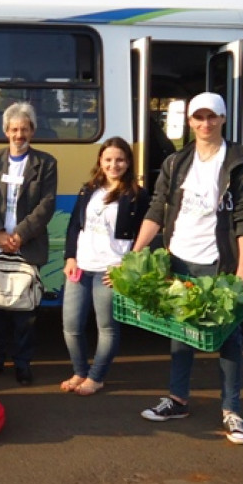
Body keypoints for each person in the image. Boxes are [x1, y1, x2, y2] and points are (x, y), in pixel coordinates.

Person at [133, 92, 243, 445]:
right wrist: (136, 252)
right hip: (178, 258)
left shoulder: (239, 162)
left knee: (229, 339)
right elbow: (158, 208)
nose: (205, 124)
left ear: (222, 119)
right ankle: (177, 400)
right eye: (198, 118)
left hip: (218, 263)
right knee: (180, 332)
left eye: (212, 117)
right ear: (189, 122)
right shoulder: (177, 162)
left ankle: (232, 410)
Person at [60, 137, 149, 396]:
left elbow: (146, 233)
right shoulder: (88, 189)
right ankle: (79, 372)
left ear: (128, 162)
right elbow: (74, 226)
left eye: (120, 159)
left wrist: (126, 267)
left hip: (110, 271)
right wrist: (70, 257)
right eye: (108, 159)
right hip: (81, 267)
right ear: (100, 160)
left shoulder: (137, 195)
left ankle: (96, 377)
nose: (114, 165)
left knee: (106, 327)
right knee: (71, 326)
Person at [0, 102, 57, 386]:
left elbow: (47, 205)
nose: (19, 134)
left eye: (24, 129)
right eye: (14, 129)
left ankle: (22, 363)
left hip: (27, 245)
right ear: (5, 131)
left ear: (32, 131)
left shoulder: (46, 163)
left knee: (26, 312)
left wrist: (20, 235)